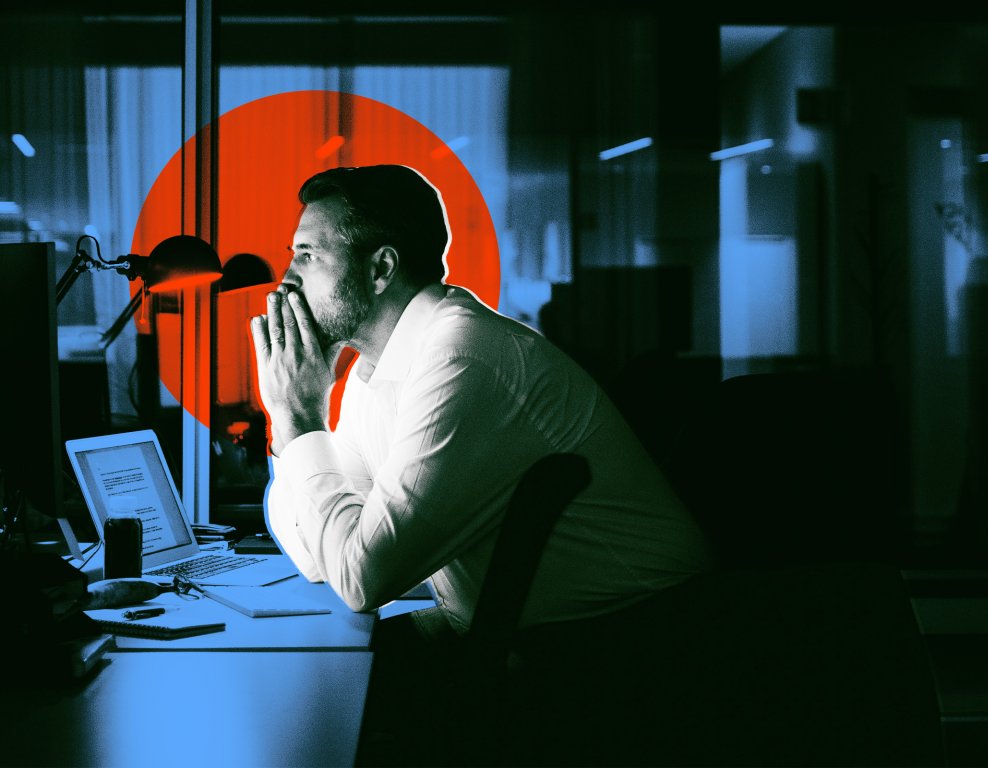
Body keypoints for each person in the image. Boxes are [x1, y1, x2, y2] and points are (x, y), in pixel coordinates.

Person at [249, 164, 716, 765]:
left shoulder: (462, 357)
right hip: (518, 632)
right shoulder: (376, 368)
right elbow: (322, 557)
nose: (286, 278)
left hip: (636, 643)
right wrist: (291, 421)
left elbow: (360, 579)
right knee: (305, 684)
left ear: (381, 268)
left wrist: (297, 418)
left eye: (308, 255)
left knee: (317, 704)